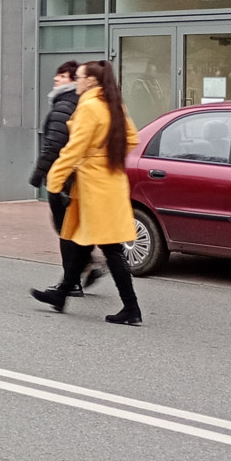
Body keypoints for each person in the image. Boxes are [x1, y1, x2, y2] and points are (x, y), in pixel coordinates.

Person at [30, 60, 143, 326]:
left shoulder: (90, 106)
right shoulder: (113, 103)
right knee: (81, 240)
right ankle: (61, 293)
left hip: (93, 187)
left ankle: (131, 308)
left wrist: (55, 181)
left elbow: (74, 149)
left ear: (91, 81)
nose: (76, 82)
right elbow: (132, 138)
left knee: (110, 248)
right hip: (108, 183)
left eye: (79, 77)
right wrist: (107, 157)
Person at [28, 61, 103, 296]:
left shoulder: (65, 104)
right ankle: (86, 268)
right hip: (78, 177)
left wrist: (39, 173)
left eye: (62, 75)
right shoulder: (84, 103)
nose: (56, 79)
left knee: (66, 229)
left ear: (74, 80)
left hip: (64, 177)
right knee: (74, 228)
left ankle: (74, 281)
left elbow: (55, 143)